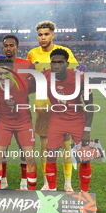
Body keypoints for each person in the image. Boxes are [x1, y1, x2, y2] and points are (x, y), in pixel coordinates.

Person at [29, 48, 94, 192]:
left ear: (67, 64)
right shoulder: (44, 77)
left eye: (60, 62)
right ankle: (52, 191)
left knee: (85, 158)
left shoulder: (80, 77)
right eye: (53, 62)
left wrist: (87, 131)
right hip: (57, 119)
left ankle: (84, 194)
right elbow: (24, 88)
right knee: (50, 155)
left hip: (77, 119)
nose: (56, 65)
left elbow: (90, 105)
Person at [26, 21, 80, 191]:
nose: (43, 37)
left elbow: (74, 75)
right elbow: (28, 78)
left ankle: (68, 183)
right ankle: (48, 183)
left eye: (46, 34)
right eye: (40, 35)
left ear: (52, 35)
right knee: (44, 147)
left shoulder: (65, 53)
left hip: (62, 107)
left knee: (65, 146)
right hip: (42, 107)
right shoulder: (32, 54)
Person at [0, 58, 37, 190]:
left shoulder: (25, 84)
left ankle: (32, 191)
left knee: (30, 157)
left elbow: (47, 80)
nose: (3, 76)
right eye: (0, 73)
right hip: (4, 123)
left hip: (24, 123)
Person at [1, 34, 35, 189]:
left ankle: (24, 182)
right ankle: (3, 180)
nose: (8, 48)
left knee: (25, 150)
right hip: (3, 117)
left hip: (22, 115)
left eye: (11, 45)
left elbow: (35, 86)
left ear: (17, 47)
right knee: (2, 150)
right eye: (6, 45)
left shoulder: (27, 65)